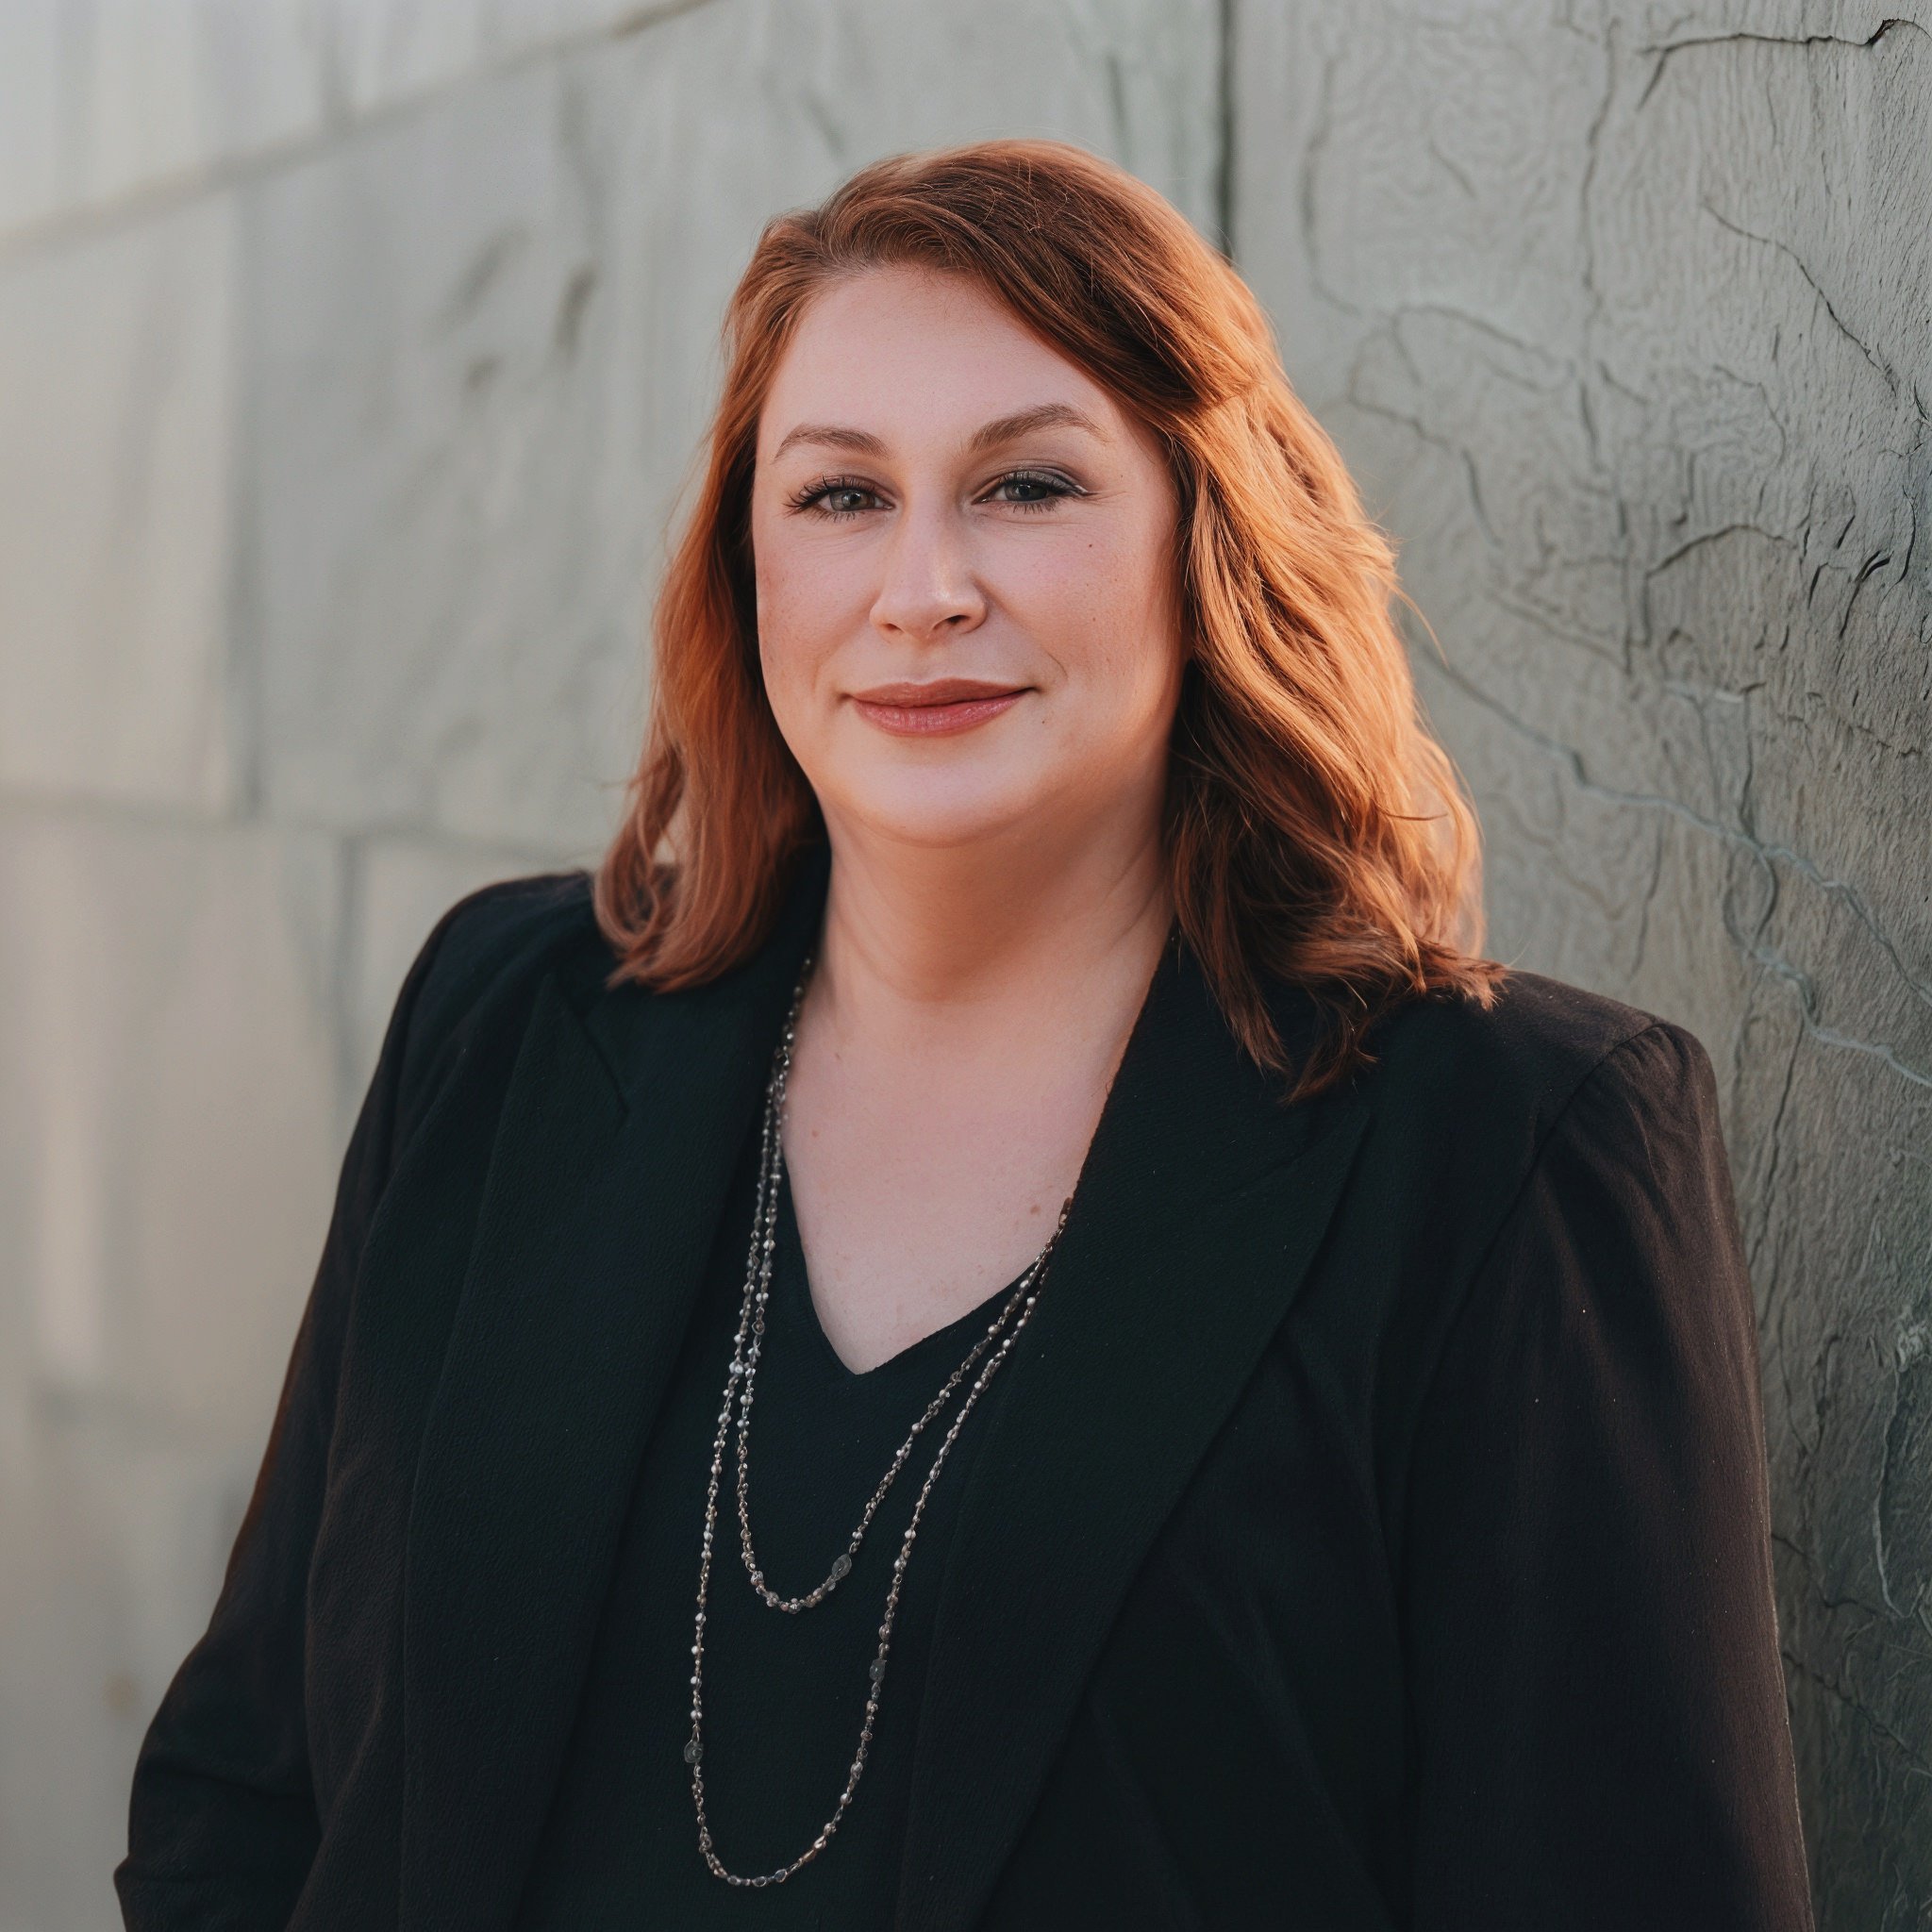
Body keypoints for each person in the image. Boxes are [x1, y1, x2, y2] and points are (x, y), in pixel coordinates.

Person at [115, 138, 1814, 1930]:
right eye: (840, 496)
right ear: (744, 561)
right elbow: (247, 1784)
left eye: (1026, 485)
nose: (921, 586)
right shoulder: (510, 1020)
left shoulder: (1514, 1154)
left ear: (1205, 540)